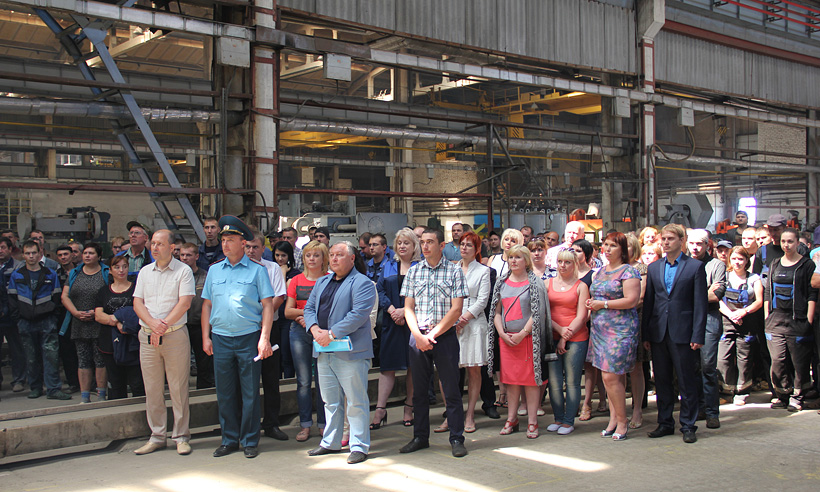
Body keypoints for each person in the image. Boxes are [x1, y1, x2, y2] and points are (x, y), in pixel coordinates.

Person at [201, 216, 275, 459]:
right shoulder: (214, 270)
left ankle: (250, 440)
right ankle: (229, 439)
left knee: (250, 391)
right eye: (223, 240)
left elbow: (267, 305)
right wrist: (206, 337)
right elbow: (207, 305)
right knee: (225, 392)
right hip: (221, 337)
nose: (225, 244)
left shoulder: (257, 270)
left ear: (243, 243)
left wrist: (264, 338)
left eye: (230, 240)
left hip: (248, 337)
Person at [304, 242, 376, 465]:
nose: (334, 259)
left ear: (352, 258)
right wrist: (314, 329)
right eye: (332, 255)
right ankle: (331, 442)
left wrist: (331, 334)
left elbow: (358, 315)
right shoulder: (322, 281)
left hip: (350, 351)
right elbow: (309, 308)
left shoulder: (363, 283)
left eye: (339, 255)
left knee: (356, 400)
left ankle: (359, 445)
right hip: (324, 349)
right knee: (330, 401)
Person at [399, 228, 469, 458]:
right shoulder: (414, 271)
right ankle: (420, 437)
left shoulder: (454, 271)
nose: (425, 246)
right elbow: (408, 308)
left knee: (451, 389)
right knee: (419, 391)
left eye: (430, 242)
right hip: (418, 336)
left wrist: (433, 334)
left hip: (444, 336)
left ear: (441, 245)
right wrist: (418, 336)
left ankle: (457, 438)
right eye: (422, 242)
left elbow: (456, 309)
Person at [643, 223, 707, 444]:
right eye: (663, 239)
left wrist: (698, 335)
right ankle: (665, 422)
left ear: (682, 241)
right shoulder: (654, 268)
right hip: (659, 332)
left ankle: (688, 425)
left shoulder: (694, 267)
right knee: (662, 380)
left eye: (670, 238)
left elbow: (700, 304)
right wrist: (646, 334)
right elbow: (649, 302)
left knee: (686, 380)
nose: (665, 242)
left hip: (683, 332)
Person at [132, 230, 195, 456]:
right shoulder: (145, 272)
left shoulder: (183, 271)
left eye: (160, 244)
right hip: (148, 335)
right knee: (152, 388)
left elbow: (184, 303)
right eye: (153, 244)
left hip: (174, 335)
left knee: (178, 388)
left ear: (171, 247)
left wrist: (163, 325)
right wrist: (152, 324)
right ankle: (157, 436)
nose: (155, 248)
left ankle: (181, 436)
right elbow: (137, 302)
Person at [488, 245, 552, 439]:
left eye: (518, 257)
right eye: (511, 257)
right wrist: (501, 333)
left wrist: (523, 333)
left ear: (526, 260)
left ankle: (532, 421)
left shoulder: (535, 283)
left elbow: (538, 313)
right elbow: (496, 312)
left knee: (531, 382)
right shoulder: (501, 282)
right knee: (511, 382)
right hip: (507, 340)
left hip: (528, 340)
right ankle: (511, 419)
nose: (513, 261)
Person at [585, 232, 641, 441]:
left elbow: (631, 300)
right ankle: (613, 419)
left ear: (623, 249)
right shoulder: (599, 271)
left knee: (611, 376)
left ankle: (623, 421)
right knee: (609, 378)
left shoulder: (629, 271)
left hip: (620, 330)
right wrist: (592, 303)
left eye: (613, 246)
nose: (607, 249)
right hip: (599, 329)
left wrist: (603, 304)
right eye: (605, 245)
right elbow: (596, 296)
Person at [7, 240, 71, 400]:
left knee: (51, 356)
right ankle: (35, 388)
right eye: (27, 253)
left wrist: (52, 316)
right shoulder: (17, 275)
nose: (31, 256)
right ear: (23, 255)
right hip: (25, 321)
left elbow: (57, 297)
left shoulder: (50, 274)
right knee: (31, 357)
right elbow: (12, 299)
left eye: (33, 253)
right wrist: (18, 318)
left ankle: (53, 389)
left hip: (47, 320)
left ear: (39, 253)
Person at [372, 229, 419, 430]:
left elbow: (423, 293)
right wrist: (392, 310)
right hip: (392, 321)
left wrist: (405, 311)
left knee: (412, 366)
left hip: (414, 322)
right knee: (387, 366)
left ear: (414, 246)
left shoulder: (421, 267)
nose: (402, 246)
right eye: (399, 243)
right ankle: (380, 409)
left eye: (406, 243)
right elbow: (380, 290)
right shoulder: (389, 265)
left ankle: (409, 407)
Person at [766, 228, 816, 411]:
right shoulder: (775, 263)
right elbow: (768, 292)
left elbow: (812, 293)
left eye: (790, 241)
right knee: (778, 360)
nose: (786, 245)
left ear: (797, 243)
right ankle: (782, 394)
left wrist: (808, 319)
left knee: (799, 362)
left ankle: (797, 396)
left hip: (798, 319)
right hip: (776, 320)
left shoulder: (807, 265)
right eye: (783, 241)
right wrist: (767, 316)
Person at [285, 240, 329, 442]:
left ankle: (323, 423)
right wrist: (307, 315)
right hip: (299, 332)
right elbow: (288, 311)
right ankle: (305, 424)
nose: (312, 259)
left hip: (322, 332)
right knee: (303, 381)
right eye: (308, 255)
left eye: (316, 255)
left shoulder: (329, 280)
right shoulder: (295, 281)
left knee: (323, 380)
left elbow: (331, 309)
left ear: (323, 259)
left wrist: (308, 316)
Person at [246, 233, 288, 442]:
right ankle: (248, 426)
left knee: (271, 379)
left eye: (255, 247)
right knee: (247, 381)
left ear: (264, 249)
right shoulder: (239, 269)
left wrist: (265, 320)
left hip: (271, 328)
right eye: (248, 247)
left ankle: (271, 424)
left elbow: (279, 297)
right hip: (245, 330)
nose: (251, 251)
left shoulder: (272, 268)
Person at [546, 249, 590, 436]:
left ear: (575, 265)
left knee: (572, 381)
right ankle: (558, 417)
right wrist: (559, 330)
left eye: (567, 262)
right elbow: (544, 312)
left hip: (576, 338)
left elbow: (582, 316)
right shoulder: (547, 284)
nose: (563, 265)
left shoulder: (581, 286)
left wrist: (565, 336)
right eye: (560, 262)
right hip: (552, 336)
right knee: (554, 381)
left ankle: (569, 420)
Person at [688, 229, 727, 429]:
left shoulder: (716, 265)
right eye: (692, 243)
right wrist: (705, 292)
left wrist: (690, 295)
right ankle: (698, 408)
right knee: (692, 367)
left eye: (699, 244)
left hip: (709, 318)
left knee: (708, 367)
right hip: (688, 319)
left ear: (707, 245)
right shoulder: (684, 264)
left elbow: (716, 295)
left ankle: (712, 412)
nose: (695, 248)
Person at [61, 243, 109, 403]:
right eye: (86, 253)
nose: (87, 256)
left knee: (100, 359)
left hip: (99, 322)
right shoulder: (75, 273)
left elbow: (111, 293)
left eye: (91, 253)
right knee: (83, 360)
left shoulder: (106, 273)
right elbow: (65, 296)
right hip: (79, 323)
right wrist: (75, 312)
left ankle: (101, 394)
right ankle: (84, 396)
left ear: (99, 256)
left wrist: (97, 312)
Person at [453, 232, 491, 432]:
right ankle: (453, 415)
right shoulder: (451, 269)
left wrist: (464, 318)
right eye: (462, 244)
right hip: (452, 321)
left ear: (476, 249)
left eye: (469, 245)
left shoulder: (483, 271)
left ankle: (470, 415)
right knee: (450, 370)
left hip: (474, 322)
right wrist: (454, 319)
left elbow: (482, 300)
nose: (464, 248)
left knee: (474, 369)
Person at [717, 246, 763, 406]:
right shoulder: (724, 276)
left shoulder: (754, 278)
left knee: (744, 359)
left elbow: (759, 301)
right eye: (734, 258)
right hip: (727, 322)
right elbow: (718, 299)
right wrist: (731, 314)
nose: (737, 262)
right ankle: (726, 391)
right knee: (723, 359)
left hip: (746, 323)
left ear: (746, 261)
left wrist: (744, 312)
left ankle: (742, 392)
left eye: (741, 259)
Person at [94, 255, 144, 399]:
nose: (121, 270)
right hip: (110, 342)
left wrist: (127, 324)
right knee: (115, 383)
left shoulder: (137, 289)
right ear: (110, 270)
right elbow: (98, 315)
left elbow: (141, 312)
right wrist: (117, 322)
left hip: (133, 342)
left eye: (124, 266)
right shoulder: (103, 291)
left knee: (137, 382)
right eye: (117, 267)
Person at [572, 238, 606, 420]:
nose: (574, 254)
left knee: (590, 365)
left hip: (589, 323)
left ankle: (588, 403)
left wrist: (584, 319)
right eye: (572, 250)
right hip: (570, 324)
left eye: (578, 251)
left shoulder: (594, 275)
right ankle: (575, 401)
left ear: (586, 254)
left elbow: (595, 300)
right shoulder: (566, 273)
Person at [178, 242, 213, 389]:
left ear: (197, 256)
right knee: (180, 363)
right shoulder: (175, 276)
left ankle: (204, 391)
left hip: (200, 324)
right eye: (182, 255)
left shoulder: (205, 276)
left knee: (204, 362)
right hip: (180, 325)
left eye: (188, 255)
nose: (184, 258)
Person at [53, 244, 80, 393]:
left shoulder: (81, 271)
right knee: (67, 351)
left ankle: (90, 383)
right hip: (62, 316)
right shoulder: (54, 274)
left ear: (72, 255)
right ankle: (73, 383)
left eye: (66, 254)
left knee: (82, 350)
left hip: (81, 313)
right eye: (60, 255)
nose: (63, 257)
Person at [272, 240, 299, 379]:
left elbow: (282, 293)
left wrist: (282, 272)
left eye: (283, 255)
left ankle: (288, 382)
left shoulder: (295, 274)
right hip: (272, 317)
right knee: (274, 356)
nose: (280, 259)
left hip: (287, 318)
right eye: (277, 255)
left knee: (286, 354)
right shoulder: (268, 271)